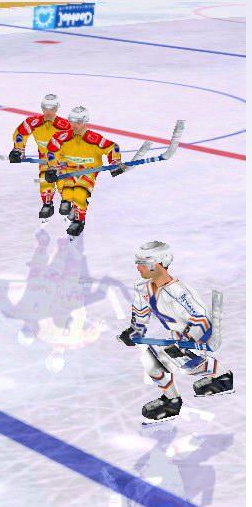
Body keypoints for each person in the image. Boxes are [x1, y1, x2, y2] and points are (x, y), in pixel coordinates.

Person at [118, 241, 233, 423]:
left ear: (157, 264)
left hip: (196, 337)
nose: (138, 267)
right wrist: (135, 331)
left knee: (166, 362)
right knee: (168, 362)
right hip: (178, 336)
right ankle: (220, 379)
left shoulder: (178, 292)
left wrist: (189, 338)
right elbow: (141, 311)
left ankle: (176, 400)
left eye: (142, 263)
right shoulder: (143, 286)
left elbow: (202, 318)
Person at [43, 106, 122, 236]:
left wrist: (115, 162)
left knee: (79, 193)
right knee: (66, 195)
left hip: (87, 171)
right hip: (69, 170)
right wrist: (52, 167)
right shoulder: (62, 137)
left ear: (85, 121)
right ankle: (74, 208)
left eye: (78, 122)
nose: (73, 125)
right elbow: (52, 151)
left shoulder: (94, 138)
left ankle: (78, 221)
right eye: (71, 121)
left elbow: (113, 147)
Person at [9, 94, 70, 220]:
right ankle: (47, 204)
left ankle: (66, 201)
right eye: (45, 108)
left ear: (56, 108)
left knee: (63, 181)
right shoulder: (33, 122)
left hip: (62, 159)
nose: (48, 112)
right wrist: (18, 150)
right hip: (45, 158)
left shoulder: (65, 125)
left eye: (52, 108)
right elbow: (20, 133)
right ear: (42, 108)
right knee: (45, 179)